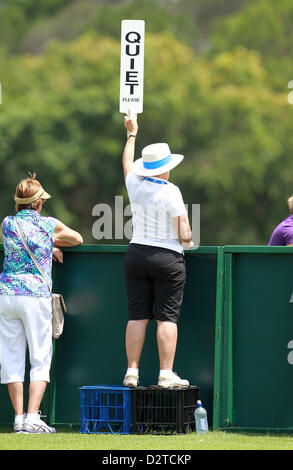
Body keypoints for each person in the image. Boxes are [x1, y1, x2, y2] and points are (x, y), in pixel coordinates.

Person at [0, 173, 83, 433]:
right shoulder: (48, 225)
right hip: (34, 295)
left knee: (12, 359)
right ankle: (33, 418)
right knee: (40, 357)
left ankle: (17, 420)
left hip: (7, 294)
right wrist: (51, 244)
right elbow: (77, 238)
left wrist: (48, 246)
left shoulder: (7, 223)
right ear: (38, 203)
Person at [122, 110, 194, 389]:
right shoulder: (171, 191)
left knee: (137, 315)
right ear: (166, 167)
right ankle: (166, 373)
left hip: (136, 254)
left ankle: (131, 371)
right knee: (167, 316)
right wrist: (187, 242)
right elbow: (184, 232)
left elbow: (127, 162)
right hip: (168, 258)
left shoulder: (135, 184)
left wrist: (131, 133)